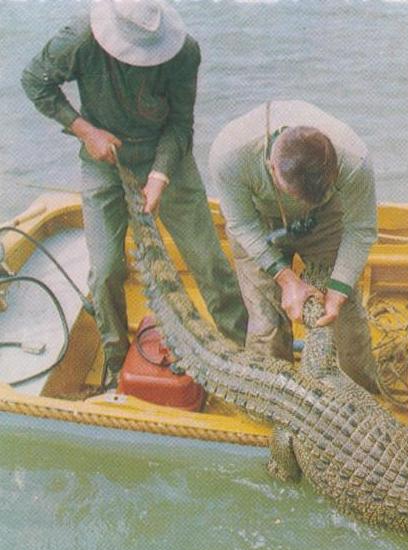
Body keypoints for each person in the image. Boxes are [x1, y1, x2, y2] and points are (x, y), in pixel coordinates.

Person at [21, 0, 248, 386]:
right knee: (105, 269)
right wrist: (86, 132)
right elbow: (34, 81)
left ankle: (242, 348)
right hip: (103, 157)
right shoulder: (79, 39)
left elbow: (181, 123)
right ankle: (114, 358)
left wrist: (160, 175)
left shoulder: (184, 51)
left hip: (167, 154)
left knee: (208, 259)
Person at [208, 100, 379, 393]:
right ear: (272, 168)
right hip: (259, 222)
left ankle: (364, 391)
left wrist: (338, 292)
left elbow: (360, 229)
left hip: (325, 217)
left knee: (347, 321)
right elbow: (242, 225)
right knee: (266, 325)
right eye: (295, 195)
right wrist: (287, 280)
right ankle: (273, 395)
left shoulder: (353, 159)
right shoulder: (230, 155)